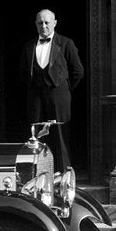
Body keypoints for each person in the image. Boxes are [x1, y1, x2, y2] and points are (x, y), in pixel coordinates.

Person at [19, 9, 84, 170]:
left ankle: (63, 178)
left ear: (54, 23)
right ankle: (39, 176)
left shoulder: (66, 43)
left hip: (59, 99)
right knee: (36, 137)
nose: (44, 26)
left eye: (47, 22)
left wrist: (63, 91)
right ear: (35, 24)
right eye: (40, 22)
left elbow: (78, 72)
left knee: (60, 137)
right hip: (36, 99)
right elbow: (23, 73)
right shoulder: (29, 46)